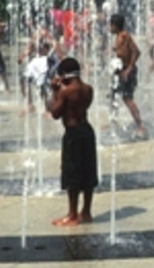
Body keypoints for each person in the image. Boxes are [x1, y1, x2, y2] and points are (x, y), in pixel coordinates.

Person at [46, 57, 97, 226]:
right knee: (88, 171)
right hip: (87, 131)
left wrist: (55, 91)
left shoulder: (66, 91)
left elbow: (55, 113)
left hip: (73, 134)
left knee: (72, 172)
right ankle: (87, 211)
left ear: (63, 74)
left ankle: (72, 214)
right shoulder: (88, 89)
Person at [109, 13, 146, 138]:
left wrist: (129, 69)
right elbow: (124, 51)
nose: (109, 28)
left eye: (111, 25)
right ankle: (113, 122)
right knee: (113, 96)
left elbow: (136, 52)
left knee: (127, 99)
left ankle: (140, 125)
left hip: (127, 71)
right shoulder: (119, 36)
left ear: (115, 25)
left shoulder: (125, 36)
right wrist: (116, 50)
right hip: (120, 70)